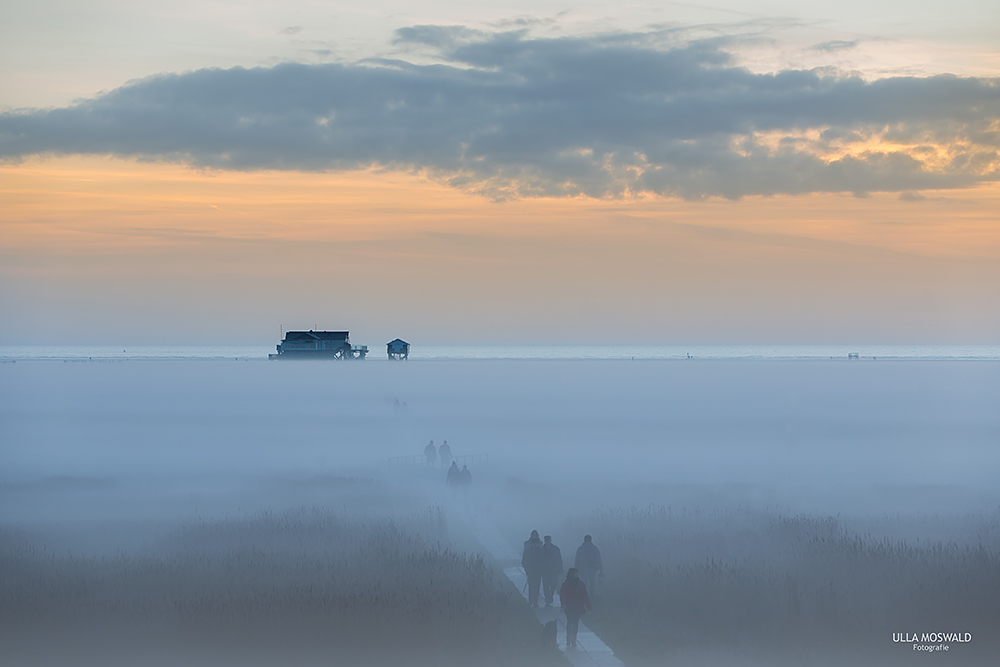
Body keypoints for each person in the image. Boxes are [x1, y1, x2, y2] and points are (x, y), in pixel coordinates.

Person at [559, 568, 592, 647]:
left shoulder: (580, 584)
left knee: (575, 623)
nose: (577, 575)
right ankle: (568, 639)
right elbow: (562, 595)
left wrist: (589, 607)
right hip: (569, 607)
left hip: (578, 607)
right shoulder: (566, 584)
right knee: (570, 622)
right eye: (575, 573)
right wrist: (563, 603)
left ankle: (573, 640)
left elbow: (585, 596)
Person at [521, 530, 544, 608]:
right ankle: (530, 601)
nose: (535, 545)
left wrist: (541, 570)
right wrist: (527, 570)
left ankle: (535, 602)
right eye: (533, 544)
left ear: (537, 544)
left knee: (537, 587)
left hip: (538, 572)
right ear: (531, 544)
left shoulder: (541, 553)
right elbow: (524, 562)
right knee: (531, 586)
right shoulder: (527, 552)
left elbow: (543, 563)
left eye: (536, 544)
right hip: (530, 572)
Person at [541, 535, 564, 606]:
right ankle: (547, 599)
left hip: (554, 570)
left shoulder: (556, 549)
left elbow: (559, 559)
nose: (548, 542)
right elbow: (539, 561)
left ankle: (550, 595)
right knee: (546, 586)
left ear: (551, 541)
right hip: (545, 571)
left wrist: (560, 569)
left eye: (549, 540)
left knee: (554, 585)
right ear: (544, 541)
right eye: (546, 540)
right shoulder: (541, 550)